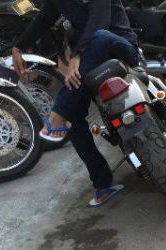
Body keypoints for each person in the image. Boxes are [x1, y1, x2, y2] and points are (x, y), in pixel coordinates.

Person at [11, 0, 139, 207]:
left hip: (120, 48)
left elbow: (100, 20)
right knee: (73, 117)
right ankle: (102, 183)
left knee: (101, 36)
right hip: (88, 64)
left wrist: (77, 54)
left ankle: (58, 112)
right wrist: (18, 47)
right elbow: (43, 19)